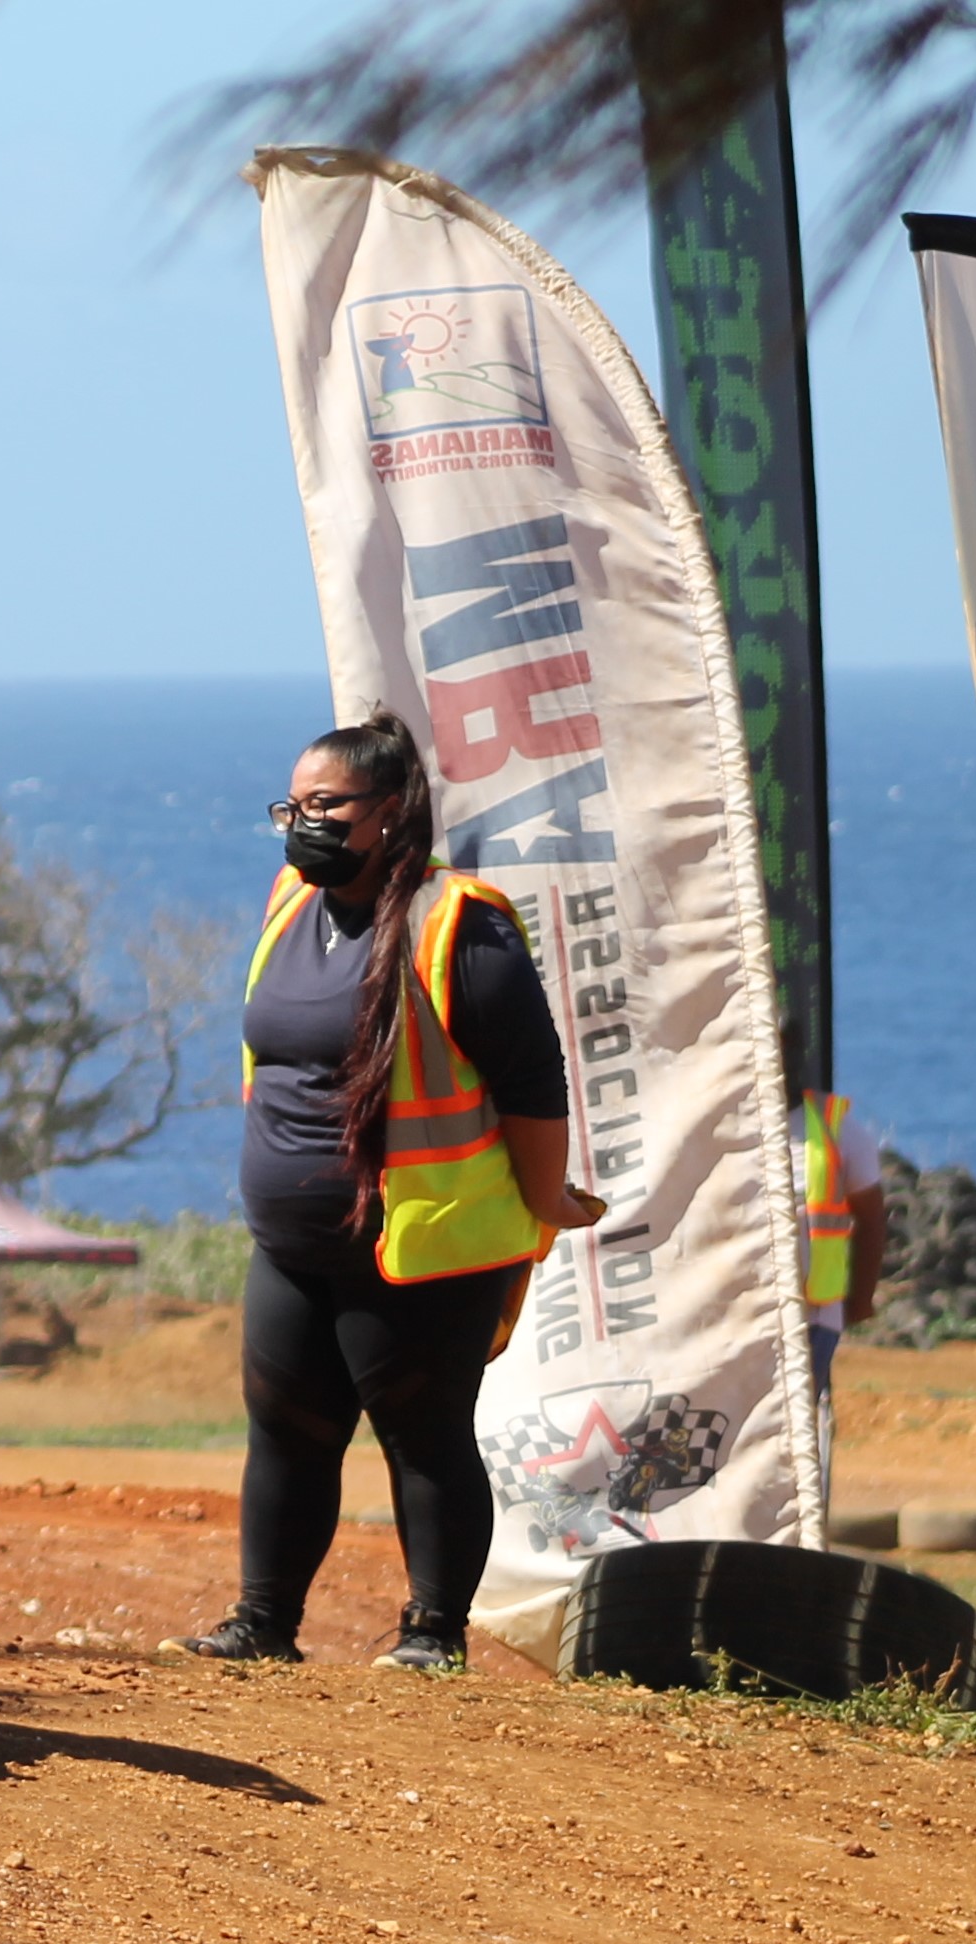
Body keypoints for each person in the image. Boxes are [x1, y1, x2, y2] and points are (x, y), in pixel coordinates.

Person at [169, 708, 603, 1674]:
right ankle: (262, 1623)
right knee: (284, 1429)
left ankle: (430, 1636)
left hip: (416, 1245)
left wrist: (546, 1199)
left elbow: (533, 1085)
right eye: (291, 804)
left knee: (423, 1436)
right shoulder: (291, 901)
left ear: (391, 811)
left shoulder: (460, 926)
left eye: (324, 805)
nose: (301, 824)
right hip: (290, 1241)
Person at [795, 1082, 888, 1495]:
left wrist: (860, 1300)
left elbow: (871, 1218)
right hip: (740, 1316)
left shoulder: (836, 1128)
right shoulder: (728, 1117)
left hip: (813, 1316)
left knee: (792, 1432)